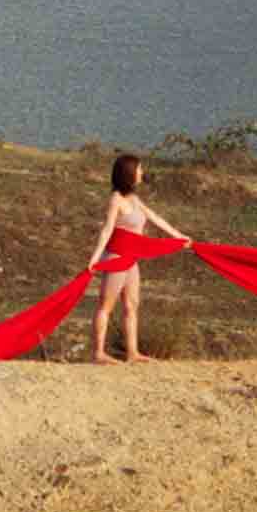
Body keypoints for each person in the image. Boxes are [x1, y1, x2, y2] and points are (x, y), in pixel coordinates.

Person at [87, 154, 190, 364]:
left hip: (132, 258)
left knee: (132, 305)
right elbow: (106, 231)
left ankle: (133, 353)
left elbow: (155, 217)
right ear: (128, 173)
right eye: (139, 169)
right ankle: (98, 353)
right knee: (106, 306)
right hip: (117, 258)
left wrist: (178, 236)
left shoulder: (133, 199)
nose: (142, 172)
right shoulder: (116, 199)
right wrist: (95, 259)